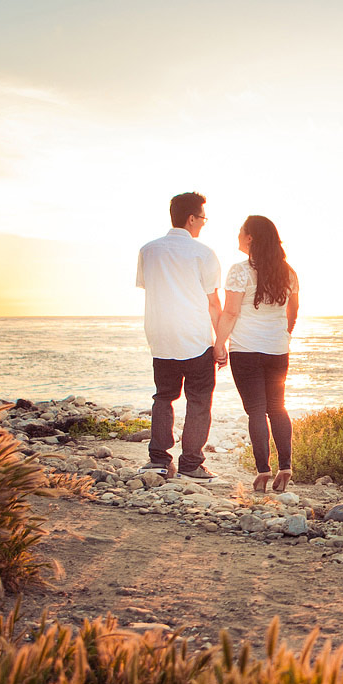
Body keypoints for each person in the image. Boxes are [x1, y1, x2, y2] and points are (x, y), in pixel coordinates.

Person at [136, 192, 222, 480]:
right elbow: (213, 302)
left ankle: (159, 460)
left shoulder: (148, 250)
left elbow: (152, 289)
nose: (203, 224)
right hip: (195, 337)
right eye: (203, 218)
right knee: (198, 401)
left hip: (161, 337)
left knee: (163, 398)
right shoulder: (203, 253)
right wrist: (221, 342)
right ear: (191, 218)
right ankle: (191, 464)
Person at [215, 215, 299, 492]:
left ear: (250, 237)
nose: (238, 236)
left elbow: (231, 311)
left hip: (247, 350)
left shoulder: (240, 271)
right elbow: (293, 311)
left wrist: (219, 343)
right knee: (278, 408)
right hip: (277, 350)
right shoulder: (288, 272)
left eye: (241, 231)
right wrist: (285, 334)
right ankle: (285, 467)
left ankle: (263, 471)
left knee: (256, 411)